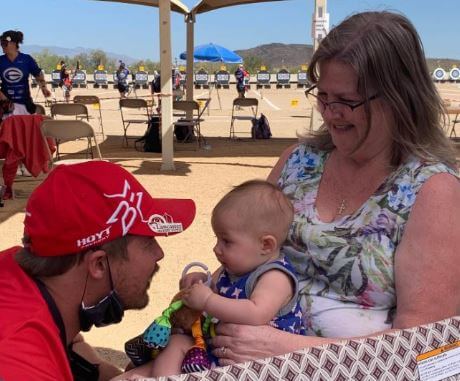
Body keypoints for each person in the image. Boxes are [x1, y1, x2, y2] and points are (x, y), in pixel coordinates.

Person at [206, 11, 460, 366]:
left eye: (347, 101)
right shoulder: (298, 162)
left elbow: (428, 350)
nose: (330, 113)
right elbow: (242, 253)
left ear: (399, 97)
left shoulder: (433, 191)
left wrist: (287, 351)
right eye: (323, 96)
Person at [0, 161, 196, 380]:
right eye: (148, 241)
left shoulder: (15, 267)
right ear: (99, 264)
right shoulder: (19, 363)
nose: (159, 254)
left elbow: (70, 343)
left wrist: (111, 375)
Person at [117, 180, 305, 379]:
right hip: (220, 349)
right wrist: (203, 282)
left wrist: (207, 300)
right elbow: (220, 291)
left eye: (226, 241)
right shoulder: (237, 268)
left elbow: (256, 313)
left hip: (257, 361)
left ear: (266, 245)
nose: (216, 248)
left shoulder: (275, 277)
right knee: (176, 343)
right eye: (217, 239)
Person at [0, 30, 51, 116]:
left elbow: (38, 74)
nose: (2, 46)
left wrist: (43, 88)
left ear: (13, 43)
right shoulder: (0, 60)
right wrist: (3, 97)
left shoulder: (27, 59)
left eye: (4, 43)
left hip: (26, 105)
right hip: (6, 107)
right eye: (1, 43)